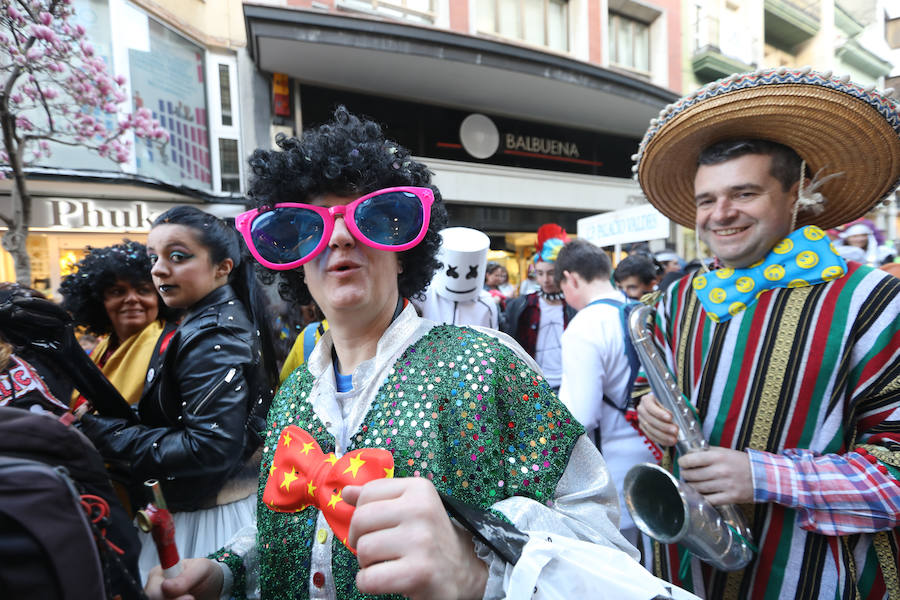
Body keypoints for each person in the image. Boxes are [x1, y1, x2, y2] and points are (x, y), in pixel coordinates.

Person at [144, 107, 672, 600]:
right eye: (311, 226)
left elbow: (602, 540)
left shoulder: (485, 366)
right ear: (295, 265)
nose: (342, 235)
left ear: (405, 254)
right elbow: (285, 527)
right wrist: (222, 571)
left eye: (374, 218)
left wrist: (478, 569)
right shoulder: (295, 396)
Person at [632, 68, 900, 599]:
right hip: (681, 574)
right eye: (706, 199)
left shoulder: (872, 300)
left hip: (814, 581)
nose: (720, 214)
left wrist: (762, 476)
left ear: (796, 192)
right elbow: (649, 386)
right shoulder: (677, 297)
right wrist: (648, 409)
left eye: (744, 193)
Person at [78, 206, 278, 582]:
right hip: (203, 512)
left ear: (223, 267)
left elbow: (210, 446)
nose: (158, 269)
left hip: (208, 523)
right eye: (153, 257)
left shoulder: (213, 332)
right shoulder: (203, 323)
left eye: (177, 256)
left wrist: (98, 432)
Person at [555, 238, 661, 558]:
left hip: (613, 474)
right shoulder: (641, 311)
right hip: (658, 457)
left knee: (624, 568)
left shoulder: (584, 326)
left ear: (571, 278)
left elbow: (579, 416)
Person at [59, 241, 178, 407]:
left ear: (159, 297)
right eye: (117, 292)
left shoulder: (175, 346)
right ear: (100, 302)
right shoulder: (101, 350)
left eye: (143, 290)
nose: (131, 299)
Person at [502, 224, 576, 392]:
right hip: (533, 383)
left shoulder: (574, 305)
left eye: (551, 273)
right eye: (540, 273)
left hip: (568, 382)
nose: (545, 279)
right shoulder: (522, 305)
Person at [415, 226, 500, 328]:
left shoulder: (487, 303)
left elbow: (492, 338)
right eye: (452, 273)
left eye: (471, 274)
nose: (460, 279)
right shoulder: (423, 297)